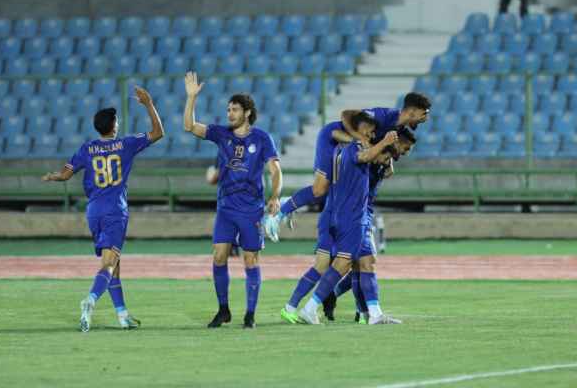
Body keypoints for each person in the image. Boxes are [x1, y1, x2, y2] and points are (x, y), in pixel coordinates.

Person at [41, 87, 164, 332]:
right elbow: (158, 133)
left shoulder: (87, 148)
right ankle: (90, 301)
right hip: (115, 211)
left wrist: (54, 177)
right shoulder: (125, 144)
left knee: (114, 264)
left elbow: (66, 174)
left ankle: (122, 314)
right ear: (114, 125)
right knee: (109, 264)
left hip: (93, 211)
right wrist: (149, 104)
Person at [183, 71, 282, 329]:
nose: (230, 113)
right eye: (228, 109)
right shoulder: (221, 134)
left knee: (251, 260)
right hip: (226, 208)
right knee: (218, 257)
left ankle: (250, 314)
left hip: (251, 210)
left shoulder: (262, 138)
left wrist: (274, 196)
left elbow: (275, 170)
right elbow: (189, 126)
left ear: (247, 112)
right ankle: (224, 309)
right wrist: (191, 98)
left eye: (235, 109)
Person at [263, 93, 431, 240]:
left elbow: (383, 145)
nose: (426, 118)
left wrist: (388, 161)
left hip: (349, 149)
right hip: (333, 139)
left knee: (335, 191)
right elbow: (346, 114)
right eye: (424, 113)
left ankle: (292, 203)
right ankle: (279, 213)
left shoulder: (399, 127)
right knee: (320, 190)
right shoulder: (384, 115)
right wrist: (360, 138)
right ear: (412, 111)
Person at [298, 132, 402, 325]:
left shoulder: (371, 164)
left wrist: (386, 156)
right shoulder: (356, 153)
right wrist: (385, 142)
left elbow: (387, 170)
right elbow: (366, 156)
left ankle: (374, 313)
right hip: (351, 216)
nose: (386, 162)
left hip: (358, 216)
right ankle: (310, 307)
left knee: (366, 262)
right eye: (385, 158)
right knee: (344, 263)